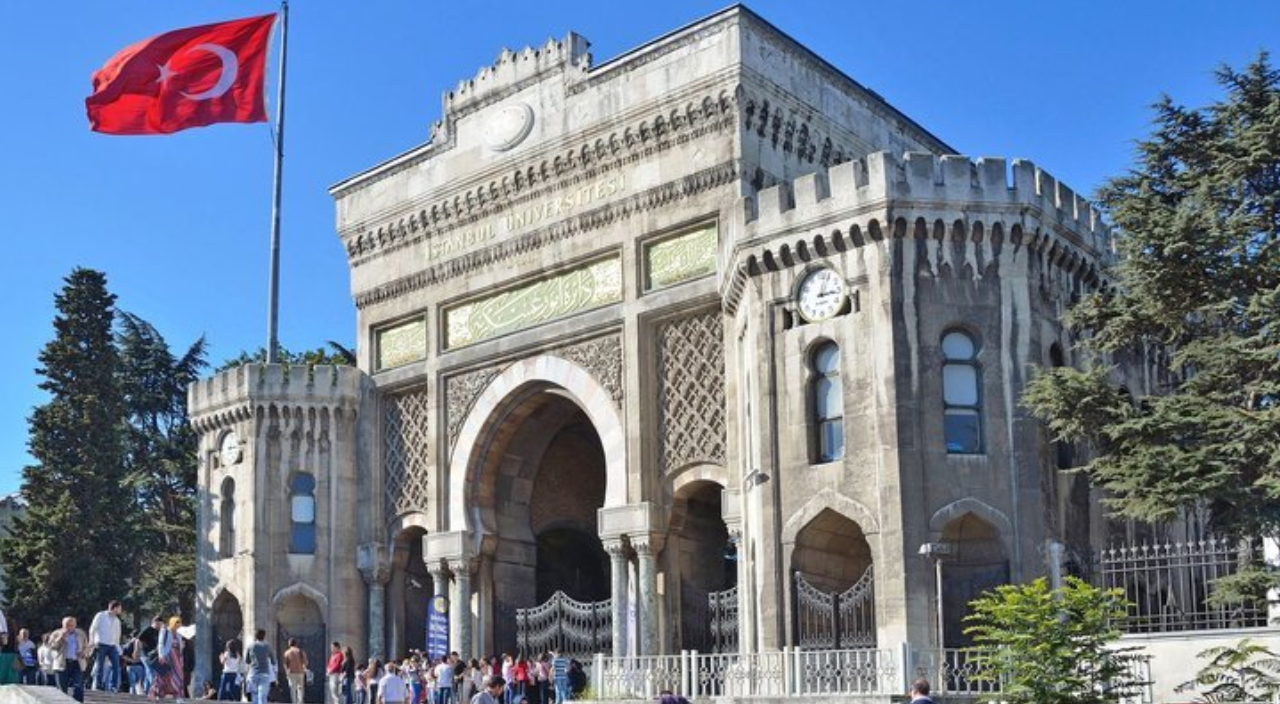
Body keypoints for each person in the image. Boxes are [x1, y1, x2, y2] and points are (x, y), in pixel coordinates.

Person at [49, 616, 90, 702]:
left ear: (75, 625)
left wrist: (83, 653)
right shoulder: (56, 633)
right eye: (67, 625)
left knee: (78, 686)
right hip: (62, 663)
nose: (69, 627)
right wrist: (60, 638)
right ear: (63, 625)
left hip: (77, 662)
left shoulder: (80, 633)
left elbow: (86, 647)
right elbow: (52, 647)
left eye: (72, 625)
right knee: (62, 688)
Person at [89, 600, 124, 692]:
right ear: (115, 608)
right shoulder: (100, 615)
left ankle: (113, 686)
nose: (120, 610)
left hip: (112, 645)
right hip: (101, 643)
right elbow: (93, 628)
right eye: (119, 608)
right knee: (100, 665)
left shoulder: (117, 620)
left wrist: (118, 647)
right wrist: (92, 640)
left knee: (116, 666)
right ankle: (98, 685)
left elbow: (117, 635)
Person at [149, 616, 186, 699]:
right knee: (163, 675)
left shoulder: (178, 634)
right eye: (177, 623)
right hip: (168, 656)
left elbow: (179, 648)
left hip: (177, 658)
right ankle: (157, 692)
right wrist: (161, 655)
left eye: (179, 623)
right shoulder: (165, 631)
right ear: (172, 623)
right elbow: (161, 644)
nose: (178, 625)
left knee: (178, 676)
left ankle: (178, 694)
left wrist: (181, 646)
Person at [245, 629, 277, 704]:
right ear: (264, 636)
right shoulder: (267, 646)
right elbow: (273, 661)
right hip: (265, 674)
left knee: (254, 696)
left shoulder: (250, 646)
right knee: (262, 696)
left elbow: (247, 661)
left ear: (255, 636)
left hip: (253, 673)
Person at [284, 638, 309, 704]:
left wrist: (287, 673)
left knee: (293, 690)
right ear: (296, 644)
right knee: (300, 689)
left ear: (289, 644)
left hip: (291, 673)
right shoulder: (301, 651)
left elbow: (285, 664)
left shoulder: (287, 652)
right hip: (300, 673)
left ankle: (294, 702)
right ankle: (300, 702)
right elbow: (306, 662)